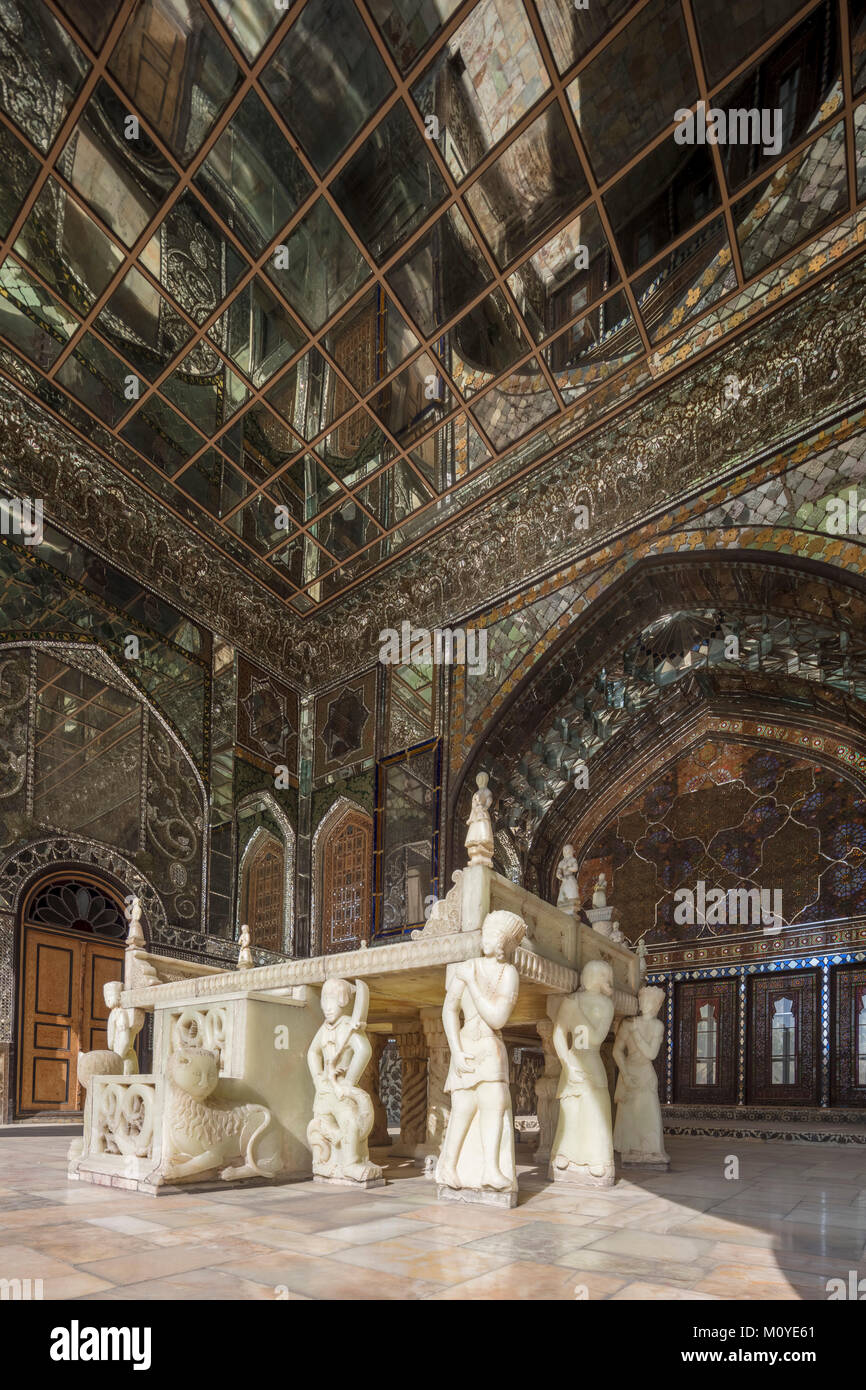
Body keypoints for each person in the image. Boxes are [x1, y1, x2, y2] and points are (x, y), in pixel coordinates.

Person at [436, 910, 526, 1191]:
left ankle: (491, 1169)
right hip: (465, 1045)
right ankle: (448, 1166)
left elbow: (497, 1018)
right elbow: (449, 1009)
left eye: (491, 935)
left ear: (502, 943)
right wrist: (456, 1050)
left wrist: (474, 982)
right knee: (463, 1107)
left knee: (495, 1102)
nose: (484, 939)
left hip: (491, 1045)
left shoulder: (508, 973)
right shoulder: (467, 966)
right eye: (484, 933)